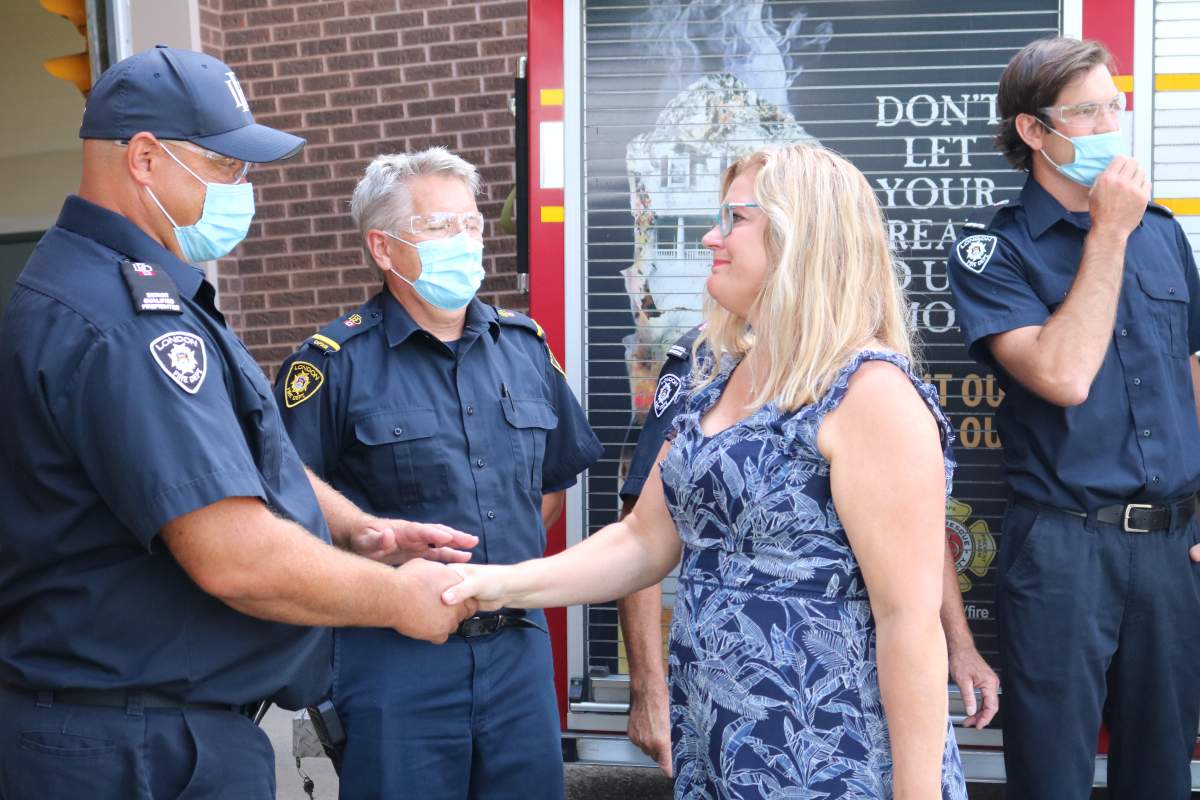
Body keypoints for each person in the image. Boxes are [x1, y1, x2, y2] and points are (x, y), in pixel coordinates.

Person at [0, 47, 478, 800]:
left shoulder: (134, 291)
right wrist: (400, 598)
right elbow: (234, 557)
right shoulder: (127, 324)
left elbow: (232, 457)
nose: (243, 189)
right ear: (147, 160)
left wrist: (357, 528)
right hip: (132, 747)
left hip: (140, 728)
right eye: (225, 167)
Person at [445, 143, 970, 799]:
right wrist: (492, 586)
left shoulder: (870, 393)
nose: (710, 236)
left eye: (736, 219)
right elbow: (642, 540)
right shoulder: (716, 377)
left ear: (801, 236)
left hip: (834, 765)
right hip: (723, 755)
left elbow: (909, 625)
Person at [275, 148, 603, 800]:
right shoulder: (332, 364)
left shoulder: (525, 347)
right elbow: (287, 506)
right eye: (437, 227)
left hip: (517, 646)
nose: (464, 241)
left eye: (472, 224)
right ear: (384, 248)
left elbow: (548, 493)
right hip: (394, 655)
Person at [946, 36, 1200, 799]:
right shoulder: (992, 250)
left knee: (1162, 771)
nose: (1109, 128)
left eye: (1114, 107)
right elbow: (1060, 376)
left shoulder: (1163, 230)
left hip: (1170, 546)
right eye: (1086, 113)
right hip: (1063, 548)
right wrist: (1108, 233)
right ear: (1034, 132)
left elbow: (1193, 370)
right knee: (1052, 773)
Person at [617, 325, 999, 776]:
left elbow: (914, 535)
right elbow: (639, 529)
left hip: (840, 717)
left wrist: (959, 644)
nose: (712, 248)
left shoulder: (863, 375)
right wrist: (648, 687)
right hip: (720, 721)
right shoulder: (702, 360)